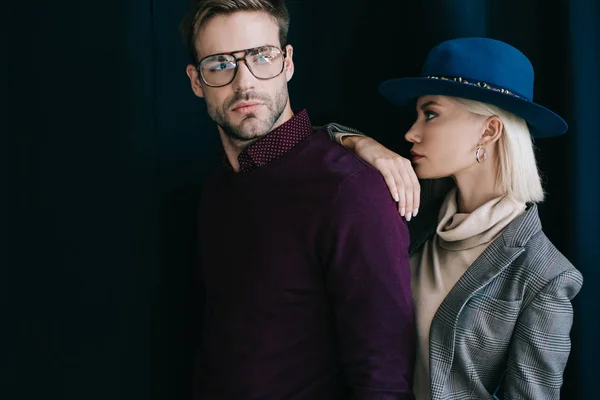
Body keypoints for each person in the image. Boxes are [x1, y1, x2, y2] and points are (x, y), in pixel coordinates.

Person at [179, 1, 415, 398]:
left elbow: (383, 379)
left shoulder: (350, 191)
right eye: (220, 64)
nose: (244, 82)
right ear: (196, 80)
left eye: (261, 56)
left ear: (287, 63)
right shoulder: (217, 190)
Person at [330, 38, 583, 399]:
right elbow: (313, 141)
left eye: (430, 114)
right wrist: (361, 143)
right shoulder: (409, 209)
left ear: (489, 130)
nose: (410, 133)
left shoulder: (544, 275)